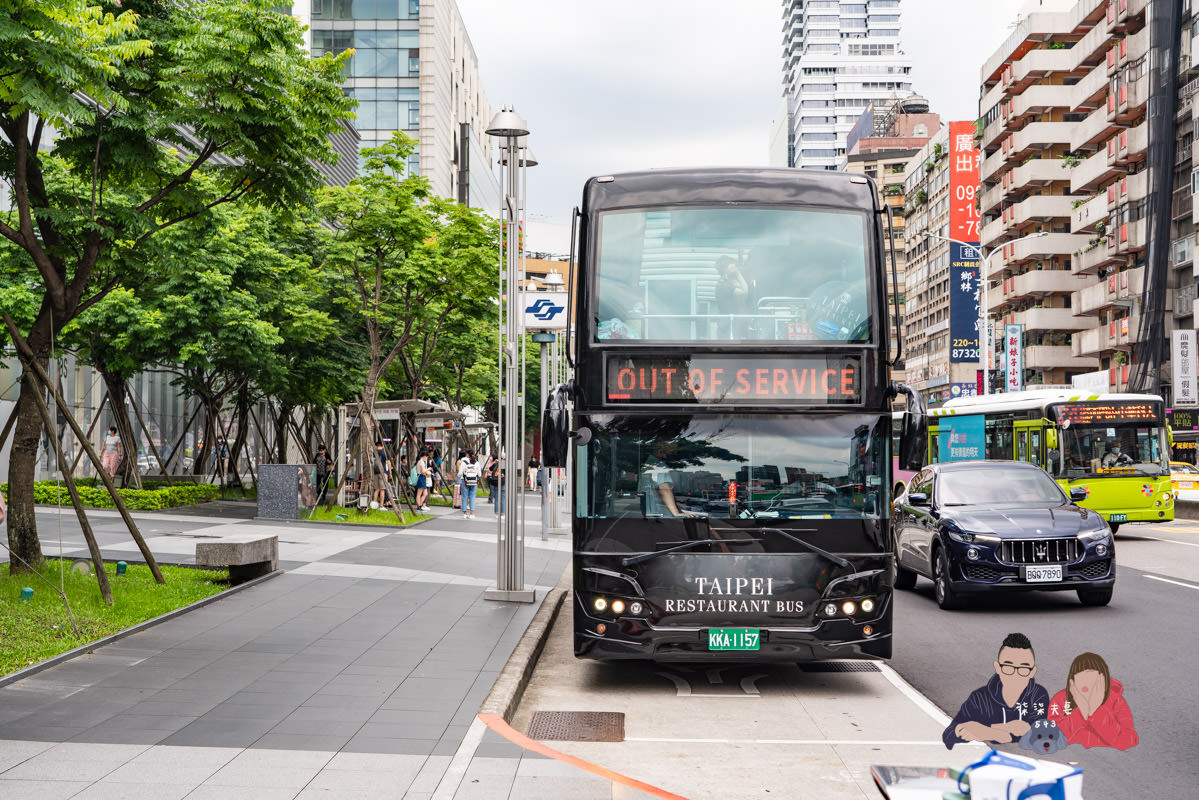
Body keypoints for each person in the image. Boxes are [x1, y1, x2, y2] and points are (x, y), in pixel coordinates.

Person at [943, 632, 1049, 749]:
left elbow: (1040, 735)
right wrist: (1003, 730)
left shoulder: (1038, 695)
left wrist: (988, 731)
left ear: (1032, 672)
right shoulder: (979, 698)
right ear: (998, 668)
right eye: (1008, 667)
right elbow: (948, 735)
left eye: (1023, 669)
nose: (1015, 675)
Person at [1048, 652, 1138, 750]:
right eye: (1079, 676)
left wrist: (1096, 710)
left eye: (1089, 676)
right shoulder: (1060, 699)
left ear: (1102, 679)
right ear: (1072, 680)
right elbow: (1050, 738)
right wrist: (1080, 713)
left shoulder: (1116, 701)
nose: (1084, 682)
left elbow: (1128, 741)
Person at [638, 440, 697, 518]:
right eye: (672, 453)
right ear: (660, 452)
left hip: (652, 511)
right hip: (660, 515)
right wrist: (676, 513)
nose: (675, 456)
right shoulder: (659, 467)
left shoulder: (648, 464)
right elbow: (664, 489)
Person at [459, 451, 480, 519]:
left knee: (465, 497)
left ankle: (465, 513)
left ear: (467, 454)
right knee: (472, 497)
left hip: (465, 481)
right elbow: (479, 474)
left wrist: (460, 475)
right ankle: (472, 514)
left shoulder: (463, 462)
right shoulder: (476, 462)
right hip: (474, 481)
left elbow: (460, 473)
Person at [372, 443, 391, 508]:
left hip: (375, 472)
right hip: (383, 473)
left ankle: (374, 505)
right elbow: (388, 463)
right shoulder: (384, 453)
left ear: (376, 446)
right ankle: (381, 505)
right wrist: (390, 473)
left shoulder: (374, 453)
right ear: (382, 446)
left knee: (376, 489)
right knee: (382, 489)